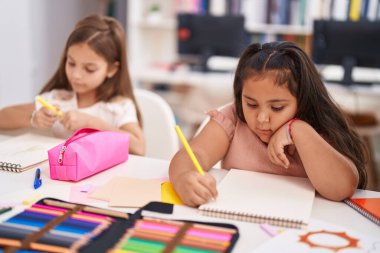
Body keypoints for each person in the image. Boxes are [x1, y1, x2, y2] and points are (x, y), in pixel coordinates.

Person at [169, 41, 367, 207]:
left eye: (278, 108)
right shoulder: (233, 118)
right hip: (240, 218)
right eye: (251, 104)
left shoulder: (316, 127)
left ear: (303, 99)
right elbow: (193, 154)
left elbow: (342, 188)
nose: (262, 118)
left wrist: (298, 130)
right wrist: (184, 177)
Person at [0, 14, 145, 155]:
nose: (76, 75)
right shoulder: (59, 99)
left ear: (112, 69)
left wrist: (91, 122)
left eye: (89, 69)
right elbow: (2, 118)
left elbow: (139, 148)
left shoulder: (118, 107)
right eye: (71, 63)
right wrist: (33, 118)